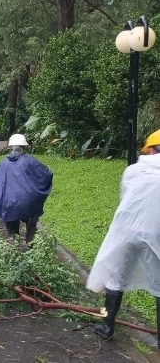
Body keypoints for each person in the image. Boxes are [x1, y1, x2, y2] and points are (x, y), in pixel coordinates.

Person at [86, 129, 160, 347]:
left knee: (116, 277)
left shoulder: (134, 170)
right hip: (155, 233)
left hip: (126, 230)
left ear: (150, 149)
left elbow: (126, 197)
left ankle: (107, 326)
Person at [0, 134, 53, 245]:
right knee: (32, 221)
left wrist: (0, 199)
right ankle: (30, 242)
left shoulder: (2, 164)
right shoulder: (29, 161)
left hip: (8, 203)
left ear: (10, 148)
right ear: (23, 148)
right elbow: (45, 175)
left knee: (11, 227)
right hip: (27, 203)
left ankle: (12, 240)